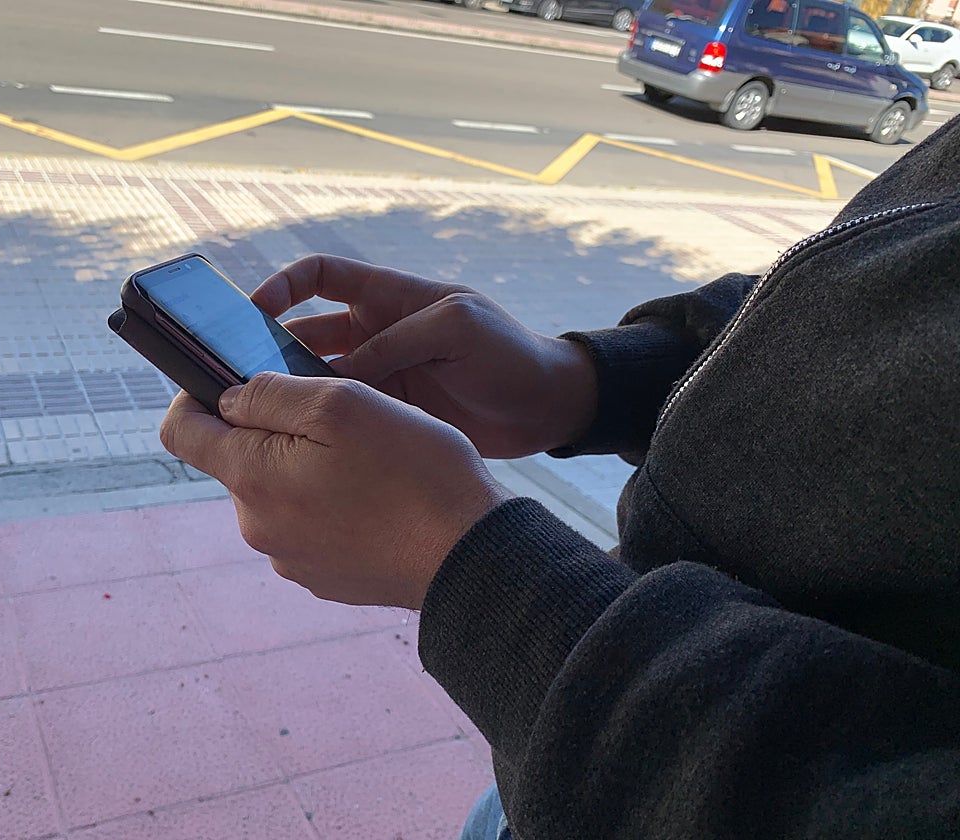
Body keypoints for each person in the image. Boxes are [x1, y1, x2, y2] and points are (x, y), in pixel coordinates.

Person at [159, 114, 960, 838]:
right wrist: (585, 382)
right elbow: (848, 323)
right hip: (563, 757)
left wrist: (470, 567)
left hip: (623, 751)